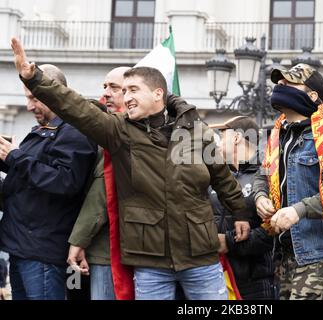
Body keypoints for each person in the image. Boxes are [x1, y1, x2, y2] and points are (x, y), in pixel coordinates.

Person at [11, 37, 250, 300]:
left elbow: (222, 177)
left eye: (133, 90)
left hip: (201, 257)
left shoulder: (196, 132)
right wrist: (34, 79)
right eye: (124, 91)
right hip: (150, 262)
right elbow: (76, 107)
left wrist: (240, 213)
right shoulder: (119, 131)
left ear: (158, 93)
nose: (127, 97)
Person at [254, 63, 323, 300]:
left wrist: (298, 210)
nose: (280, 86)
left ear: (312, 95)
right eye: (279, 83)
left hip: (320, 252)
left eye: (289, 83)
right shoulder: (278, 135)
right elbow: (263, 173)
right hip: (284, 252)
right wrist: (260, 196)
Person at [0, 64, 98, 300]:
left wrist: (15, 156)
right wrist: (7, 157)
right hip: (22, 246)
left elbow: (65, 181)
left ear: (54, 91)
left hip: (43, 251)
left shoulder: (75, 130)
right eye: (27, 98)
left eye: (35, 97)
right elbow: (29, 175)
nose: (29, 106)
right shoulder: (45, 128)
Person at [67, 67, 130, 300]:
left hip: (108, 252)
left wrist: (78, 240)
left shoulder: (121, 138)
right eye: (105, 87)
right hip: (93, 249)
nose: (106, 93)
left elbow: (100, 195)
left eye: (115, 87)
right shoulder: (102, 136)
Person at [209, 116, 277, 300]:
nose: (217, 143)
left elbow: (273, 233)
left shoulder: (267, 175)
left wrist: (228, 242)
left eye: (222, 137)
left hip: (254, 281)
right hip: (216, 276)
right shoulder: (217, 177)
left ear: (237, 138)